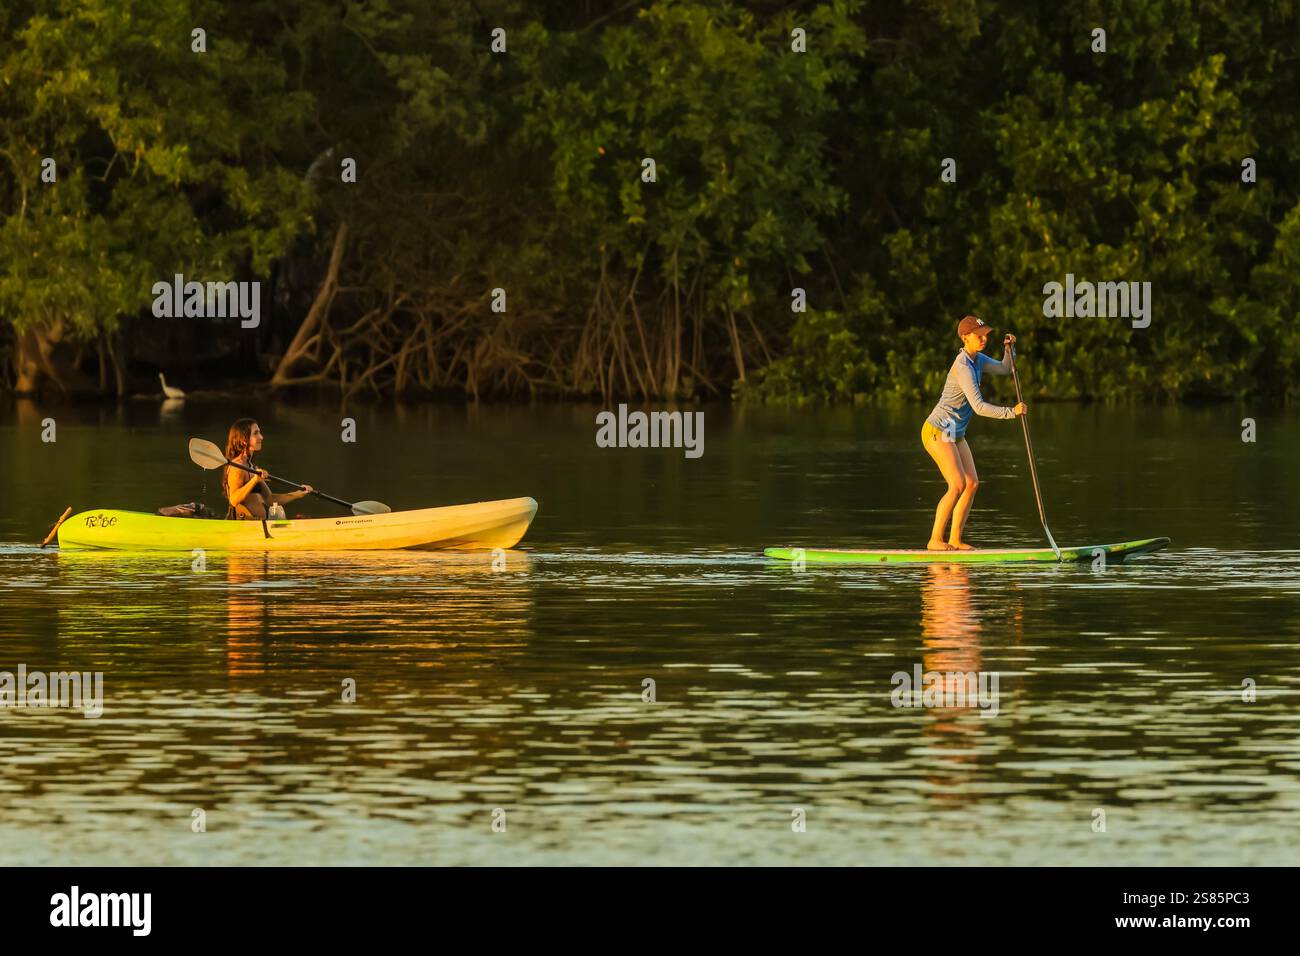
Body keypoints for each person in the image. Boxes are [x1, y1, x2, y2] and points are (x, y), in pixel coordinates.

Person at [921, 315, 1027, 551]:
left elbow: (1005, 368)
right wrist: (1012, 412)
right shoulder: (962, 367)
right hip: (939, 428)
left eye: (986, 335)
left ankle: (955, 540)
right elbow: (979, 407)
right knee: (957, 484)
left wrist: (1009, 349)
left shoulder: (977, 359)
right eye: (979, 336)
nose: (984, 339)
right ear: (965, 337)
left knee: (972, 483)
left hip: (955, 431)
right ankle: (935, 540)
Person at [221, 418, 312, 519]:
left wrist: (297, 494)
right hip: (243, 526)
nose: (261, 437)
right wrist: (254, 480)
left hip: (260, 525)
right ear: (243, 440)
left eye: (259, 433)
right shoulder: (237, 467)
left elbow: (270, 499)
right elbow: (233, 500)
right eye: (256, 433)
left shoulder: (252, 467)